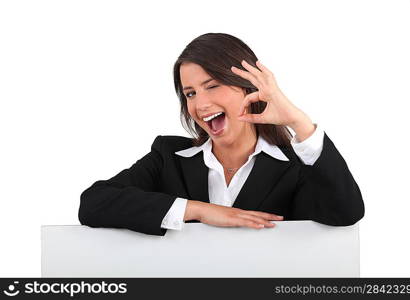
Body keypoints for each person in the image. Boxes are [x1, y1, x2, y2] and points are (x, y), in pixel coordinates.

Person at [78, 33, 364, 236]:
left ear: (247, 87)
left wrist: (298, 121)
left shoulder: (295, 167)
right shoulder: (168, 157)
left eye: (212, 86)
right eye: (190, 93)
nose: (200, 105)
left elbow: (346, 213)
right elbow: (93, 203)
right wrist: (199, 210)